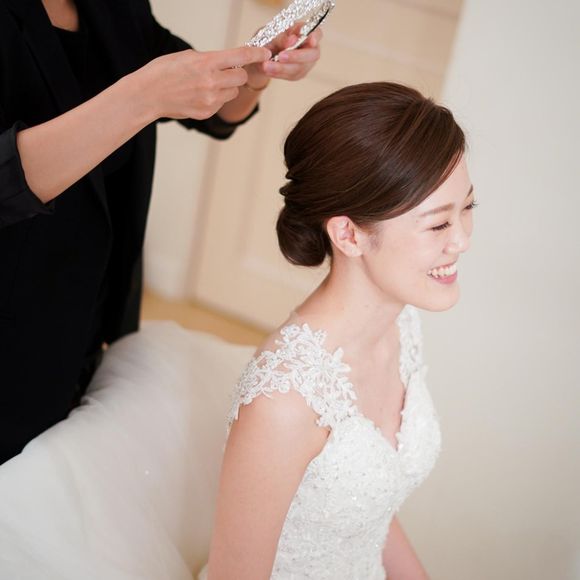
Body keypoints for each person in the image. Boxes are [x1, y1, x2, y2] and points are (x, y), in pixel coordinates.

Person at [0, 0, 322, 464]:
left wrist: (253, 72)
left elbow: (213, 109)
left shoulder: (118, 7)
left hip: (88, 311)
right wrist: (140, 98)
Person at [205, 82, 477, 579]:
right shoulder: (285, 400)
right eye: (438, 225)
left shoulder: (402, 323)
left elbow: (370, 504)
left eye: (468, 209)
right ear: (348, 234)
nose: (461, 241)